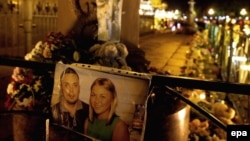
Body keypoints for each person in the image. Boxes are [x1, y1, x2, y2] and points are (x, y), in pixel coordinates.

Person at [51, 67, 89, 132]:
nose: (71, 90)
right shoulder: (52, 113)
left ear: (79, 88)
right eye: (67, 85)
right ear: (61, 88)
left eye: (75, 85)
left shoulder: (89, 110)